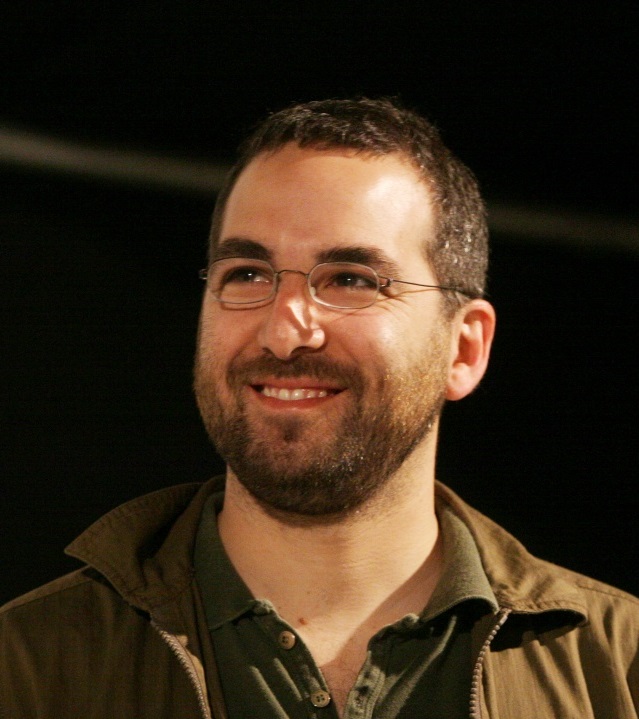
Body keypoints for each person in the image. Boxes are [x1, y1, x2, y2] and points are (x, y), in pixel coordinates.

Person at [1, 97, 637, 719]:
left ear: (464, 349)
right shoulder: (28, 663)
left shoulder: (619, 665)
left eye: (351, 280)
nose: (285, 333)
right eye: (247, 274)